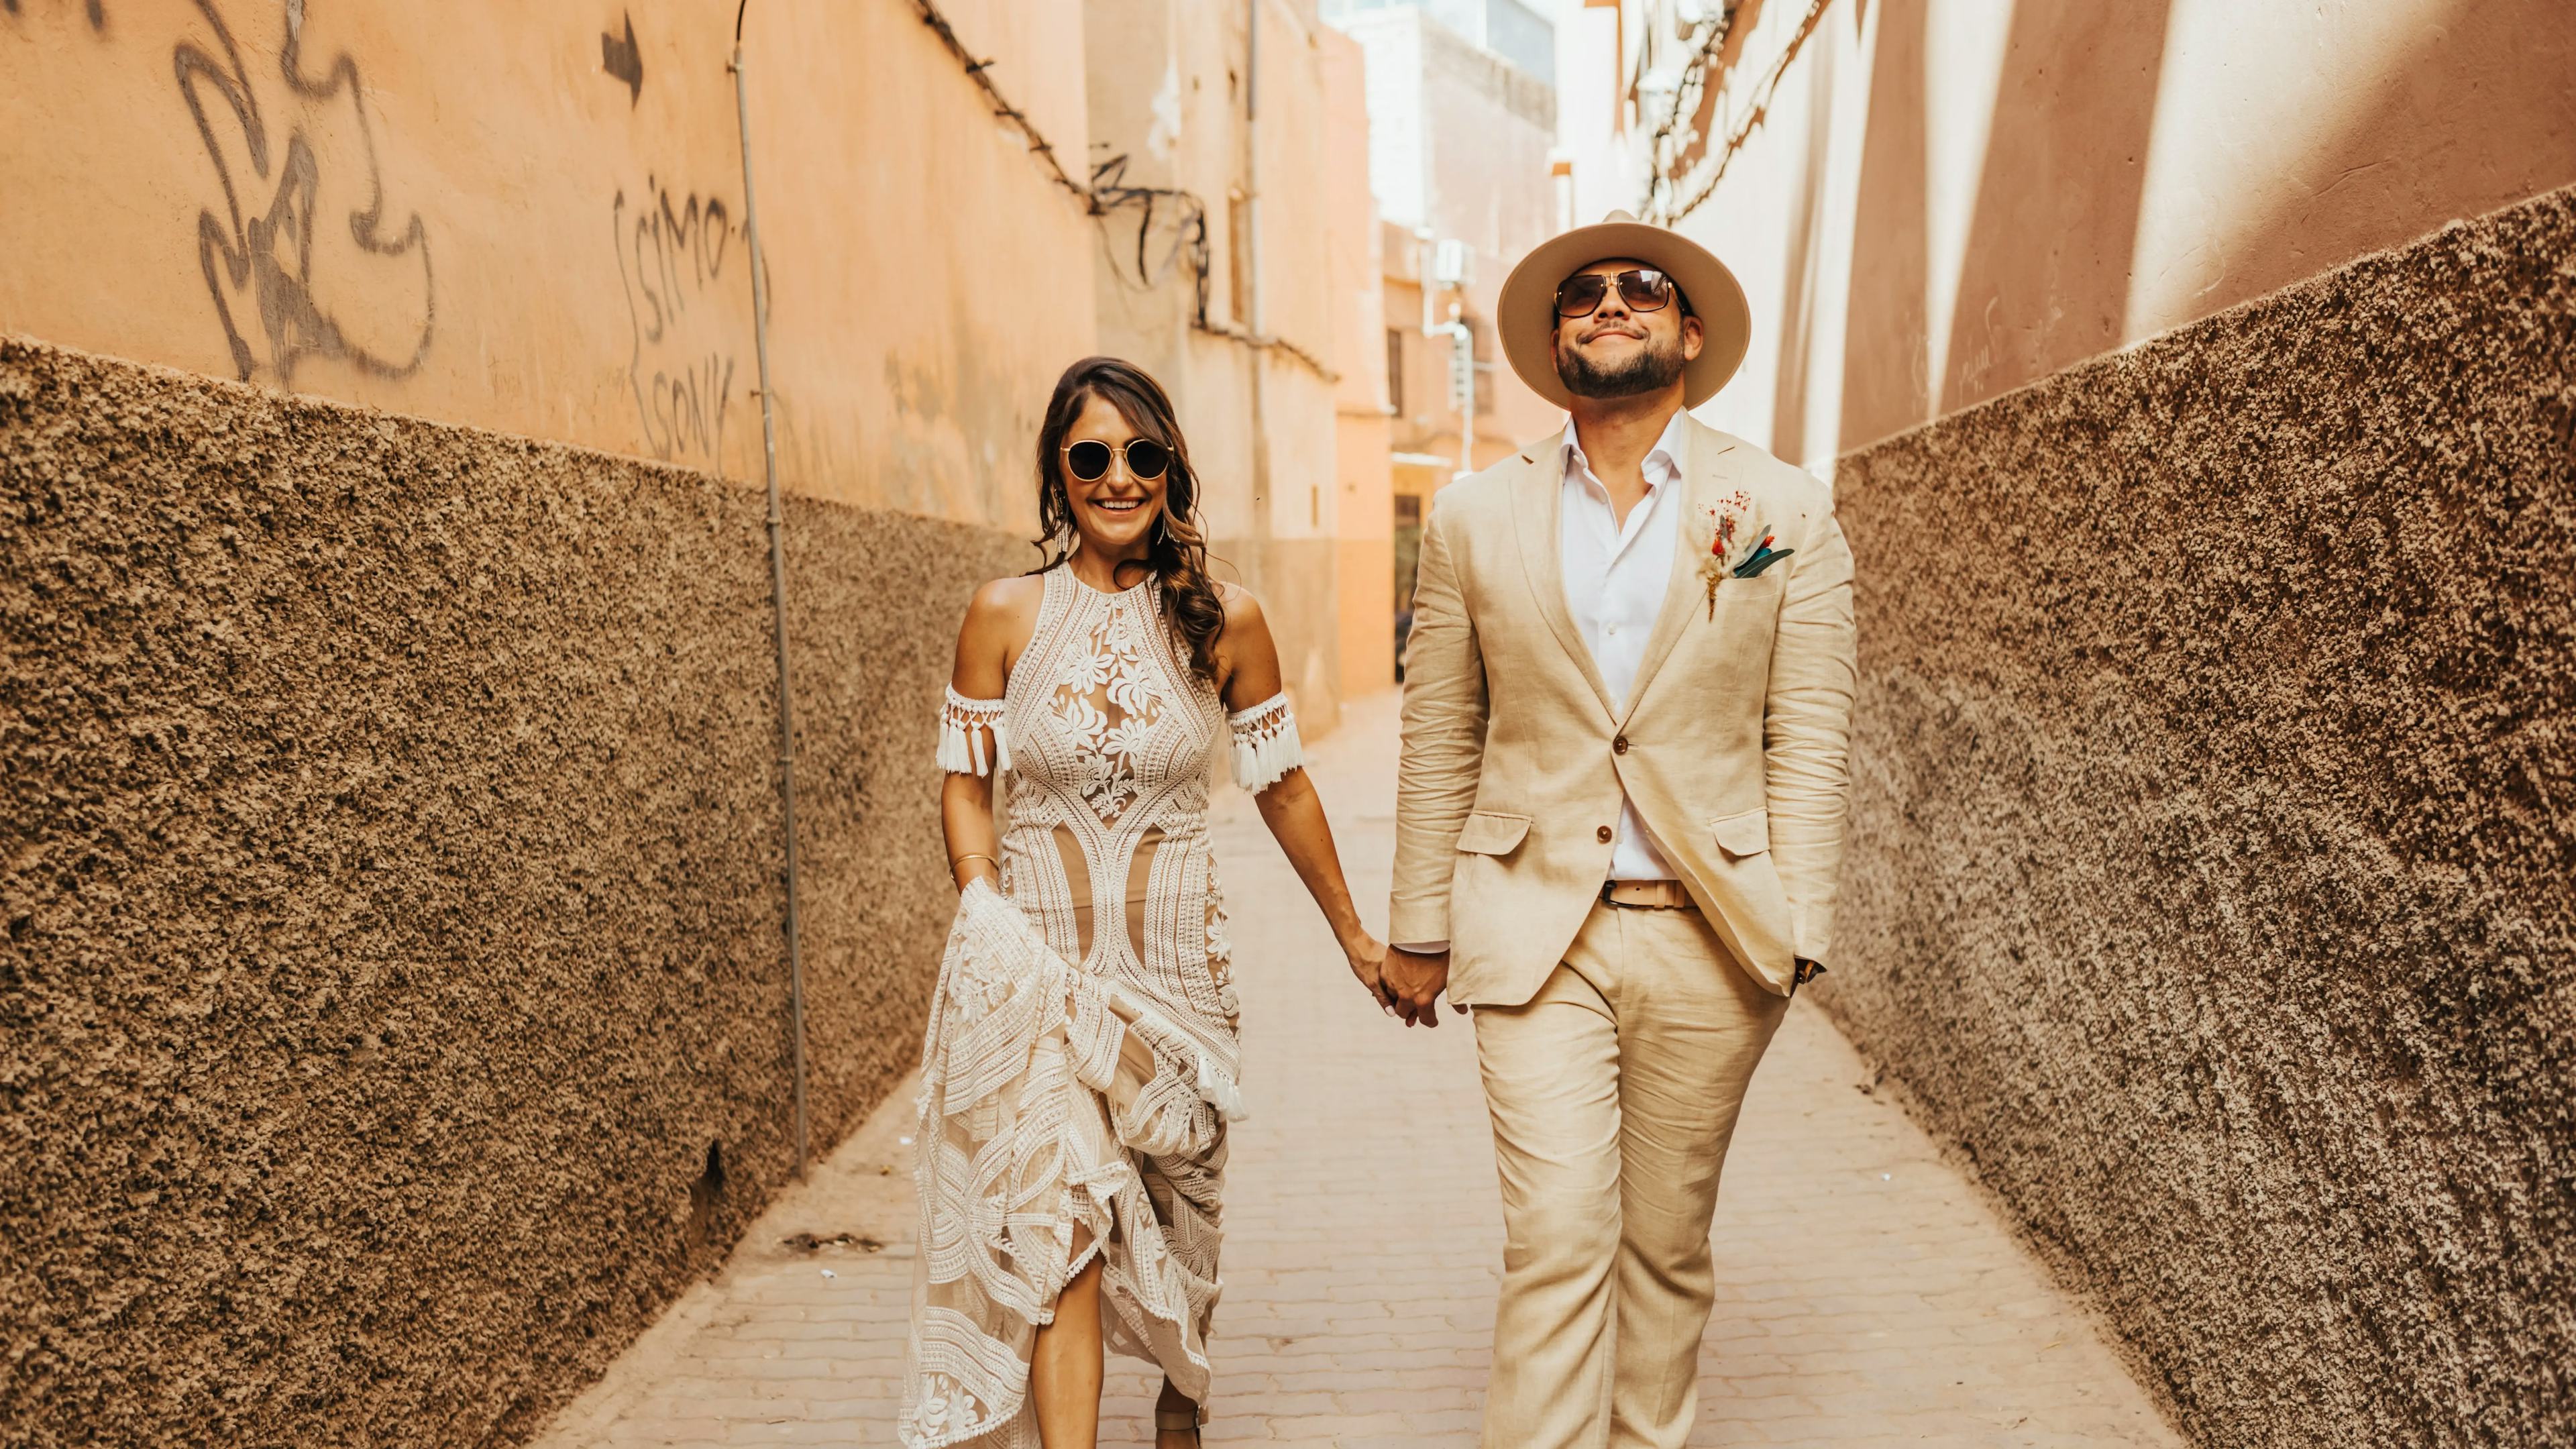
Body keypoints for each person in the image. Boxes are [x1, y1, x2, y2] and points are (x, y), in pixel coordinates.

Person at [1379, 212, 1859, 1448]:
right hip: (1534, 931)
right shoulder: (1475, 517)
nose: (1610, 304)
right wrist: (1419, 922)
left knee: (1665, 1243)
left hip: (1709, 932)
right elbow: (1440, 730)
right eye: (1582, 293)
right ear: (1553, 342)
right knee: (1555, 1237)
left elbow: (1807, 732)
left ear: (1688, 331)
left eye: (1641, 288)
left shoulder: (1782, 510)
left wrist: (1796, 926)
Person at [899, 357, 1389, 1449]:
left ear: (1170, 470)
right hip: (1041, 979)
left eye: (1141, 455)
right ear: (1057, 477)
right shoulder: (1002, 614)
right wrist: (980, 905)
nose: (1117, 477)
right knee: (1063, 1222)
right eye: (1091, 457)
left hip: (1179, 979)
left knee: (1182, 1223)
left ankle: (1183, 1389)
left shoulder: (1226, 622)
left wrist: (1358, 940)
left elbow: (1287, 786)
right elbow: (962, 782)